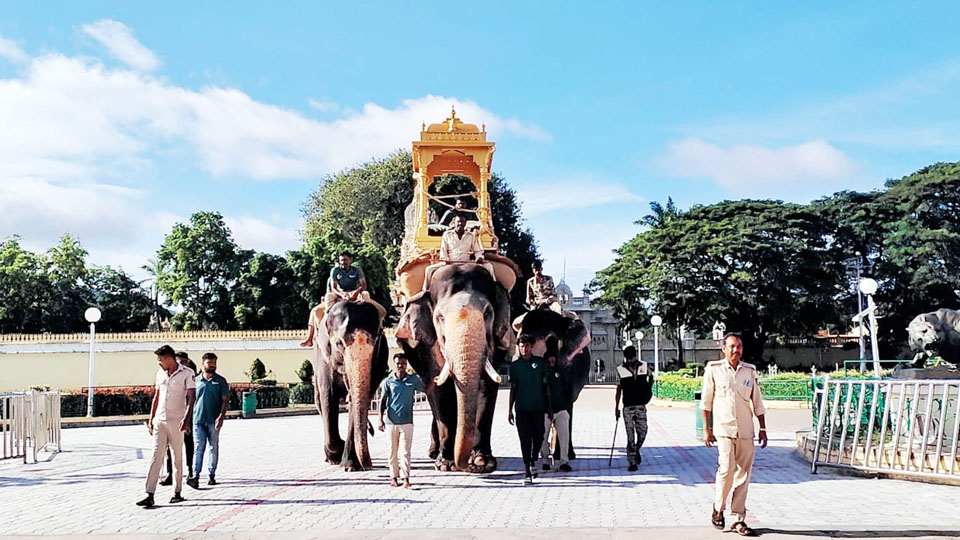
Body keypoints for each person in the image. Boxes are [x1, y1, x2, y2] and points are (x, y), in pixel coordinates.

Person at [701, 334, 767, 536]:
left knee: (743, 476)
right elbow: (706, 402)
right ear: (724, 349)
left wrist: (762, 429)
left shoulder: (749, 371)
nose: (735, 350)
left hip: (746, 430)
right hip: (724, 429)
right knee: (726, 469)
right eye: (731, 347)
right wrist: (706, 429)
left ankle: (738, 518)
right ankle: (718, 508)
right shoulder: (714, 370)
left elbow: (757, 402)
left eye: (738, 347)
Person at [137, 345, 196, 508]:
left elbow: (192, 398)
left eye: (161, 360)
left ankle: (177, 492)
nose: (159, 363)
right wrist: (151, 418)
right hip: (160, 420)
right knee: (156, 456)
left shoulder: (187, 373)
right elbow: (157, 395)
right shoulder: (160, 373)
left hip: (177, 421)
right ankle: (149, 493)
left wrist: (186, 419)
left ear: (169, 358)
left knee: (177, 457)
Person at [300, 252, 385, 347]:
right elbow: (333, 288)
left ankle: (375, 324)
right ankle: (329, 321)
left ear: (350, 260)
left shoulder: (357, 270)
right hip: (339, 294)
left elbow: (363, 284)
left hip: (354, 293)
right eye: (341, 260)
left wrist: (355, 292)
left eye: (345, 260)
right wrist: (342, 295)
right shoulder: (335, 271)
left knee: (367, 295)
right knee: (326, 300)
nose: (343, 262)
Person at [377, 353, 433, 488]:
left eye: (403, 363)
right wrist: (380, 419)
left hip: (407, 422)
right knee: (392, 451)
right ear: (394, 365)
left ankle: (405, 478)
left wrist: (433, 382)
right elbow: (382, 401)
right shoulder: (388, 382)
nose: (400, 366)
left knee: (406, 451)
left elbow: (426, 390)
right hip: (391, 422)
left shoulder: (413, 380)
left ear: (406, 364)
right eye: (398, 363)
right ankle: (393, 477)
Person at [508, 334, 552, 484]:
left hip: (538, 408)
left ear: (531, 347)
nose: (524, 349)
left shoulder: (540, 363)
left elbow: (546, 387)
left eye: (526, 346)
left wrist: (549, 408)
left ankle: (534, 458)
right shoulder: (515, 366)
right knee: (524, 439)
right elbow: (513, 388)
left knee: (539, 435)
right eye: (521, 346)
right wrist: (509, 410)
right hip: (521, 409)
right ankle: (527, 470)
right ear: (518, 348)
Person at [187, 352, 229, 490]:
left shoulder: (220, 381)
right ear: (203, 364)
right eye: (209, 363)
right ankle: (195, 476)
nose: (212, 366)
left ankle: (211, 474)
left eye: (214, 363)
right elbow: (191, 400)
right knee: (198, 448)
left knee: (213, 447)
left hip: (214, 420)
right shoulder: (196, 380)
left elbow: (225, 401)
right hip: (198, 420)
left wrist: (221, 416)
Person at [160, 352, 197, 485]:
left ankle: (190, 471)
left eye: (183, 362)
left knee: (188, 443)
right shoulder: (167, 374)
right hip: (171, 417)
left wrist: (187, 418)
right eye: (178, 361)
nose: (180, 364)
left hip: (187, 416)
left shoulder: (190, 375)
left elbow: (191, 398)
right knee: (169, 446)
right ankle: (170, 473)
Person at [614, 346, 653, 471]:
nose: (631, 360)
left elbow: (651, 379)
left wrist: (648, 393)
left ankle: (636, 450)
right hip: (628, 407)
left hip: (641, 405)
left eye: (633, 357)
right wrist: (616, 407)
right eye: (629, 358)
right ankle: (632, 462)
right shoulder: (620, 370)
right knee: (630, 435)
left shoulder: (644, 366)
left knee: (643, 432)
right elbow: (618, 390)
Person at [539, 337, 572, 472]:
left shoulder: (561, 372)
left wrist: (566, 407)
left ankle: (564, 461)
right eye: (549, 359)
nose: (551, 361)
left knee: (564, 437)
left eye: (553, 359)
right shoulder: (541, 373)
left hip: (561, 409)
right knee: (543, 437)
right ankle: (545, 460)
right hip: (545, 411)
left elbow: (567, 389)